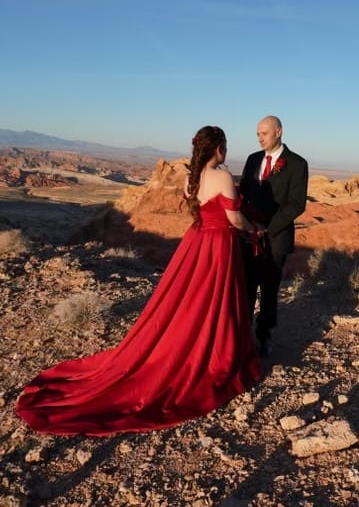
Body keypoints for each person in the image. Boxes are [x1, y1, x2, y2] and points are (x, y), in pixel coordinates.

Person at [16, 126, 263, 435]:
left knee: (189, 299)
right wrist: (255, 230)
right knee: (215, 297)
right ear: (219, 149)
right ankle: (214, 351)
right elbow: (233, 219)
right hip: (218, 245)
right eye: (224, 147)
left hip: (196, 241)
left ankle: (188, 340)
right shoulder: (223, 177)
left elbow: (198, 208)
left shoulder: (191, 178)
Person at [239, 115, 309, 357]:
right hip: (249, 235)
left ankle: (264, 336)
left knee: (269, 290)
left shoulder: (298, 164)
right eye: (258, 134)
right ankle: (243, 335)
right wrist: (246, 224)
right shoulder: (252, 159)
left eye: (264, 133)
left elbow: (296, 204)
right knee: (246, 287)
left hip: (276, 237)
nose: (260, 138)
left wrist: (268, 227)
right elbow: (243, 194)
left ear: (278, 132)